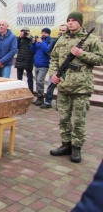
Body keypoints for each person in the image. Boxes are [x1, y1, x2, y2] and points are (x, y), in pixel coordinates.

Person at [49, 11, 103, 163]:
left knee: (79, 120)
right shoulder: (62, 39)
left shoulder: (91, 39)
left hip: (81, 88)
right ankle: (66, 144)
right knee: (64, 118)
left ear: (80, 22)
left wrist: (82, 54)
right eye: (69, 20)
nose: (70, 23)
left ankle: (77, 148)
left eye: (73, 20)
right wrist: (53, 74)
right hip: (64, 86)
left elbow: (100, 58)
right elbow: (53, 58)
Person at [41, 24, 68, 109]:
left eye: (63, 30)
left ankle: (59, 103)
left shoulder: (69, 41)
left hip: (65, 68)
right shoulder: (54, 41)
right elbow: (49, 52)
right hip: (55, 67)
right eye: (60, 30)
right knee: (50, 85)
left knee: (62, 87)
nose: (61, 32)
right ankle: (48, 102)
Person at [31, 27, 52, 106]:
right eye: (42, 32)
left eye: (45, 33)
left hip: (44, 65)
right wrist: (33, 43)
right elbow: (33, 50)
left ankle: (41, 96)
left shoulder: (50, 41)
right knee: (37, 81)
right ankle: (39, 98)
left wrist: (41, 42)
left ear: (48, 34)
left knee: (40, 80)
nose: (43, 34)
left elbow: (48, 50)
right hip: (37, 64)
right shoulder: (39, 41)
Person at [15, 27, 34, 93]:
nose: (24, 33)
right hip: (20, 60)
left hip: (28, 60)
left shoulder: (31, 38)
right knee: (19, 78)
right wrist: (20, 37)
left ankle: (31, 91)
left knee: (30, 78)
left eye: (26, 32)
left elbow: (34, 44)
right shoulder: (20, 39)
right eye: (23, 31)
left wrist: (30, 37)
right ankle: (19, 91)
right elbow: (16, 46)